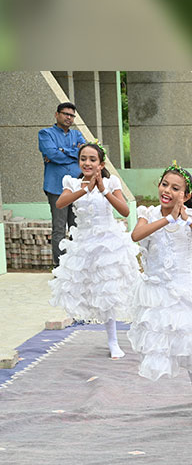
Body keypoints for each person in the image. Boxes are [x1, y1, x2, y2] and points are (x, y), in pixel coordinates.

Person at [128, 162, 192, 429]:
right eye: (164, 185)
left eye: (176, 188)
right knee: (158, 349)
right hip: (156, 293)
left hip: (184, 290)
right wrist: (167, 219)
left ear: (186, 195)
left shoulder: (191, 217)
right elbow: (136, 235)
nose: (168, 191)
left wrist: (187, 221)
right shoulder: (147, 213)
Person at [49, 142, 139, 359]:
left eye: (92, 159)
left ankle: (114, 341)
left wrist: (103, 190)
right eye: (83, 159)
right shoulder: (71, 181)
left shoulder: (111, 182)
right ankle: (107, 335)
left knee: (108, 291)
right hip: (84, 243)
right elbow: (61, 203)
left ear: (101, 163)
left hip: (108, 243)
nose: (87, 163)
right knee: (91, 292)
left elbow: (125, 210)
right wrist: (85, 189)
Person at [39, 102, 86, 267]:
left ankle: (76, 264)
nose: (69, 118)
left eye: (72, 115)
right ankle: (60, 267)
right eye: (66, 114)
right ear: (57, 114)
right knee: (59, 228)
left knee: (76, 227)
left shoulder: (77, 135)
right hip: (56, 187)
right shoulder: (45, 133)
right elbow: (52, 154)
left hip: (77, 187)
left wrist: (62, 151)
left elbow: (84, 153)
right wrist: (70, 153)